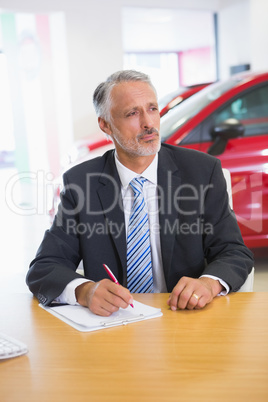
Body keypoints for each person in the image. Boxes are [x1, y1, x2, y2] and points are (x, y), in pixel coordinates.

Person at [26, 70, 254, 316]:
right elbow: (45, 267)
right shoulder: (81, 183)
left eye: (153, 109)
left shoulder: (201, 172)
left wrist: (208, 284)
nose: (148, 123)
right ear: (105, 124)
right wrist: (85, 291)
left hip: (183, 317)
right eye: (132, 113)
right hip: (114, 324)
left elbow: (234, 252)